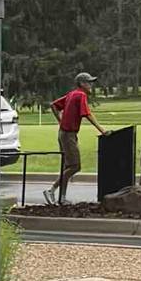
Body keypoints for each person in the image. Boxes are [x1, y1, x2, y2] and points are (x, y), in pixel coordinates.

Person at [51, 70, 96, 204]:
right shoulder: (80, 95)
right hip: (68, 134)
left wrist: (60, 121)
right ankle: (51, 190)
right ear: (82, 83)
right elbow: (87, 114)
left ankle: (62, 198)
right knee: (75, 166)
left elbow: (53, 105)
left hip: (64, 133)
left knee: (68, 167)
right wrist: (102, 130)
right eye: (89, 82)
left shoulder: (72, 94)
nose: (91, 85)